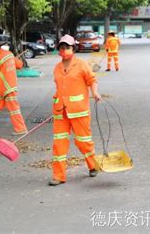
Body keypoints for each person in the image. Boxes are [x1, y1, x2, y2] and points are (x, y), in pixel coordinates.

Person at [50, 34, 102, 186]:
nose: (64, 50)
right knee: (59, 143)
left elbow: (92, 80)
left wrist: (95, 92)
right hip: (60, 111)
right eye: (62, 47)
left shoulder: (81, 64)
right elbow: (60, 87)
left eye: (67, 47)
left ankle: (93, 165)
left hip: (79, 110)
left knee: (83, 142)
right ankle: (58, 176)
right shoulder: (57, 68)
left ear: (73, 48)